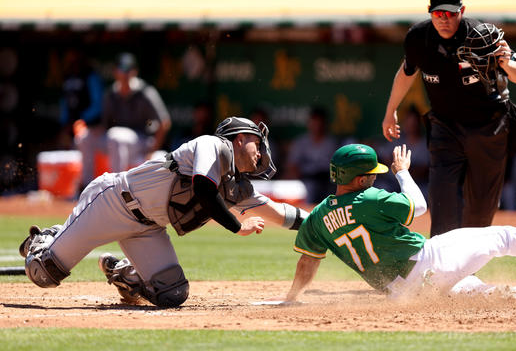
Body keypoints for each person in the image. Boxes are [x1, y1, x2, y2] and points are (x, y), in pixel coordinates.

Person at [19, 117, 309, 308]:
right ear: (239, 137)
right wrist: (236, 227)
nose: (260, 152)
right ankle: (45, 239)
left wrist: (323, 222)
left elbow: (279, 214)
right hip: (112, 203)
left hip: (147, 228)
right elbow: (203, 189)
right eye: (256, 143)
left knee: (172, 293)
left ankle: (123, 273)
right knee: (43, 274)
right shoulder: (211, 144)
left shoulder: (234, 185)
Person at [276, 144, 516, 303]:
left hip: (399, 293)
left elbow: (308, 261)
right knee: (501, 237)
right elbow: (419, 206)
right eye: (372, 175)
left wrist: (291, 298)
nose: (376, 178)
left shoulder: (318, 215)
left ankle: (512, 295)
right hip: (427, 260)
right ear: (360, 179)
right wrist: (401, 171)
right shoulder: (370, 199)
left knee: (464, 288)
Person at [381, 0, 516, 237]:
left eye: (450, 13)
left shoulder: (482, 34)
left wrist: (506, 63)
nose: (444, 19)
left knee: (481, 207)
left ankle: (470, 264)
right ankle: (440, 267)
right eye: (438, 13)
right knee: (442, 196)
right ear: (430, 12)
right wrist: (390, 112)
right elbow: (407, 72)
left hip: (488, 126)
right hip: (445, 125)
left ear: (461, 11)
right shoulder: (419, 37)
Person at [102, 52, 172, 172]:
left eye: (129, 69)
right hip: (118, 142)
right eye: (122, 69)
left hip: (142, 141)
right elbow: (104, 125)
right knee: (85, 138)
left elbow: (164, 123)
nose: (125, 73)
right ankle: (85, 185)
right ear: (115, 72)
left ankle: (117, 187)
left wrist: (151, 151)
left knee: (115, 137)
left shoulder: (145, 91)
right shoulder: (111, 93)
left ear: (135, 71)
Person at [58, 49, 104, 188]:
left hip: (92, 126)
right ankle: (75, 188)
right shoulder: (68, 76)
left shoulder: (90, 76)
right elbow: (65, 102)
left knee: (83, 140)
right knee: (72, 153)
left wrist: (83, 119)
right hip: (72, 124)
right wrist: (65, 123)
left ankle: (87, 185)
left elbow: (98, 104)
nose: (72, 60)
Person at [284, 107, 338, 204]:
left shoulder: (332, 142)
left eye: (320, 122)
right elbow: (292, 166)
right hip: (305, 180)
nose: (317, 125)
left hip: (326, 181)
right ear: (309, 123)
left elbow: (336, 168)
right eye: (314, 121)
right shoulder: (300, 142)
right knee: (306, 189)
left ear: (325, 123)